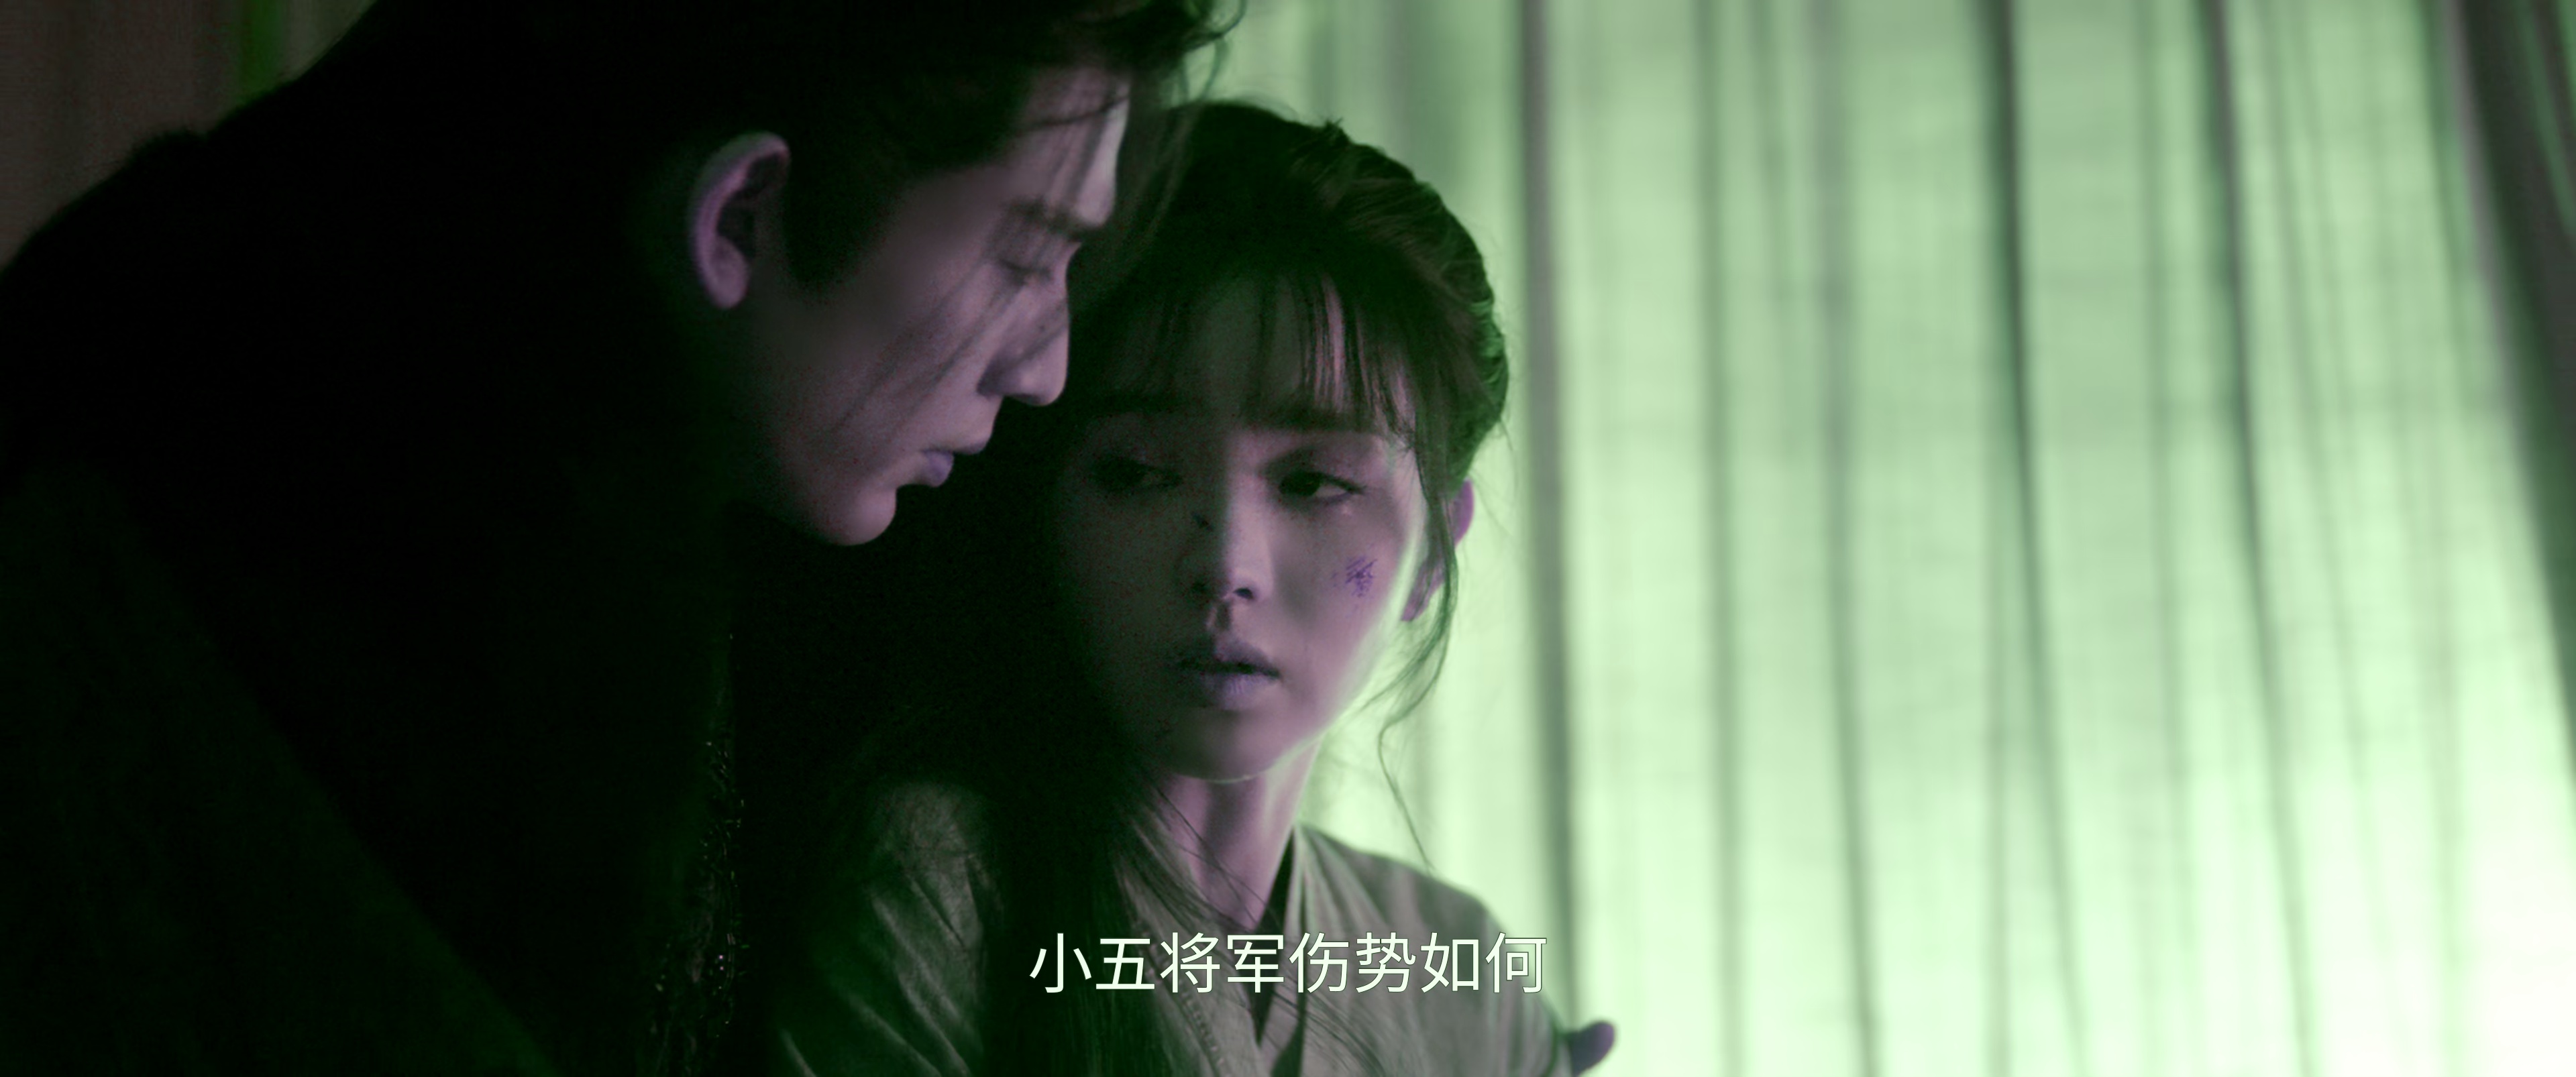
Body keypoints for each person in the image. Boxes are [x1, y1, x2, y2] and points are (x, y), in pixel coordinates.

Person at [0, 2, 1220, 1074]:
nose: (1045, 366)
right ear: (740, 215)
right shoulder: (191, 581)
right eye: (1024, 256)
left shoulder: (694, 544)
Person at [762, 101, 1613, 1076]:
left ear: (1431, 555)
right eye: (1135, 473)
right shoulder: (941, 896)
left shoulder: (1463, 980)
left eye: (1314, 483)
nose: (1225, 566)